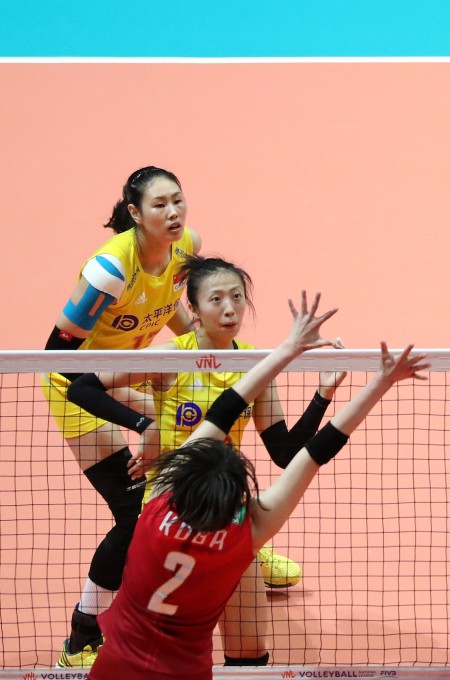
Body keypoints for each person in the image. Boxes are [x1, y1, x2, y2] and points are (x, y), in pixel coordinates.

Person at [85, 291, 429, 680]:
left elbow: (224, 410)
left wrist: (286, 349)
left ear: (182, 474)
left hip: (115, 669)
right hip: (184, 673)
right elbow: (313, 455)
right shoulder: (243, 536)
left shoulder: (157, 505)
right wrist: (380, 383)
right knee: (248, 645)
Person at [66, 255, 347, 666]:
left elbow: (285, 452)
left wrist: (323, 394)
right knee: (158, 650)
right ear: (193, 310)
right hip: (169, 512)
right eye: (216, 299)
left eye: (236, 297)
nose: (230, 308)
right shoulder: (170, 358)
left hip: (226, 513)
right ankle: (82, 635)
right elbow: (83, 388)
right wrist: (146, 424)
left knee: (250, 648)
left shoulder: (255, 364)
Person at [41, 166, 201, 667]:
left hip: (132, 375)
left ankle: (241, 557)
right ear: (135, 213)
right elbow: (59, 360)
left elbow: (169, 303)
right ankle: (82, 637)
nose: (173, 213)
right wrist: (143, 427)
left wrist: (202, 349)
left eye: (177, 201)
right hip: (79, 389)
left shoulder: (186, 246)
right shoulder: (110, 271)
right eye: (159, 205)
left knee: (207, 446)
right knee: (132, 515)